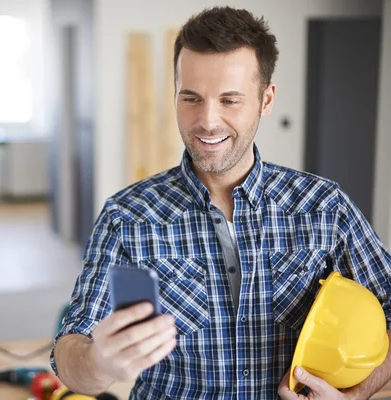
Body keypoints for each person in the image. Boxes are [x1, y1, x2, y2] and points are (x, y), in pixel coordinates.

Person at [50, 6, 391, 399]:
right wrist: (100, 363)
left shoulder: (327, 209)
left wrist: (355, 395)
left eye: (230, 100)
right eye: (191, 98)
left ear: (266, 100)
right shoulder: (126, 217)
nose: (207, 121)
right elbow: (70, 346)